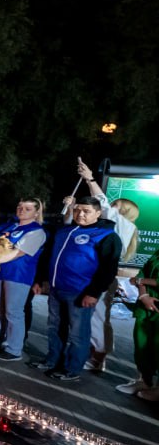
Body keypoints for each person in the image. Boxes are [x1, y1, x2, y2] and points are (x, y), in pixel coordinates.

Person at [29, 196, 121, 382]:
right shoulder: (65, 231)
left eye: (86, 211)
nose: (80, 214)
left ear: (98, 212)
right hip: (56, 289)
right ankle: (53, 360)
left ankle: (72, 368)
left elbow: (108, 269)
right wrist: (40, 280)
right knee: (55, 327)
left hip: (80, 292)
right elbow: (47, 257)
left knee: (78, 333)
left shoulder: (106, 236)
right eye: (78, 210)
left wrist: (93, 292)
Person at [69, 159, 140, 372]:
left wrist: (90, 179)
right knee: (94, 318)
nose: (108, 206)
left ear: (124, 211)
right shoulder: (115, 225)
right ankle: (94, 354)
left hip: (100, 279)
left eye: (115, 205)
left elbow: (102, 201)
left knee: (98, 319)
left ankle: (97, 356)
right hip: (90, 278)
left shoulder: (122, 224)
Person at [0, 199, 47, 361]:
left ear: (36, 212)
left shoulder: (36, 231)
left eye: (28, 209)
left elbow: (18, 253)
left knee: (13, 312)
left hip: (18, 275)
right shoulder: (8, 226)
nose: (22, 210)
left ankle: (14, 349)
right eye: (20, 207)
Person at [119, 250, 159, 399]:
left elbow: (140, 279)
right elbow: (142, 273)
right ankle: (144, 381)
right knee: (142, 345)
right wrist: (143, 295)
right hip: (146, 306)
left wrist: (141, 282)